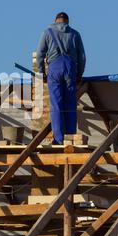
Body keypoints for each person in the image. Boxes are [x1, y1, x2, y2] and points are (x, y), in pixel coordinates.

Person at [36, 12, 86, 144]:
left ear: (55, 21)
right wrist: (79, 75)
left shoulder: (47, 32)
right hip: (70, 70)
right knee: (70, 104)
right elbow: (82, 57)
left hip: (54, 69)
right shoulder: (75, 34)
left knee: (56, 105)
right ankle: (70, 137)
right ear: (67, 22)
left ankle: (58, 139)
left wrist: (42, 73)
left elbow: (40, 54)